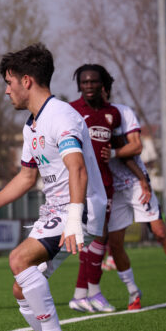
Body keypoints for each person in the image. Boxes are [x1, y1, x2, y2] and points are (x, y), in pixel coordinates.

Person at [0, 43, 106, 331]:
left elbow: (78, 169)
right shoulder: (32, 124)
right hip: (58, 210)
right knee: (21, 289)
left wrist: (74, 219)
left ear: (26, 80)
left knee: (18, 258)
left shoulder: (61, 116)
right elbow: (27, 177)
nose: (6, 91)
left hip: (78, 207)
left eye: (9, 82)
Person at [102, 85, 166, 309]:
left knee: (159, 231)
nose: (94, 90)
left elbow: (135, 148)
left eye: (98, 86)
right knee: (115, 245)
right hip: (111, 190)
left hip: (135, 184)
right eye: (87, 85)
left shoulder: (121, 113)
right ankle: (133, 292)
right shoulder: (83, 117)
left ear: (105, 90)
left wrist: (142, 179)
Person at [66, 64, 123, 313]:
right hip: (82, 184)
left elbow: (120, 144)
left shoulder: (113, 114)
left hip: (106, 184)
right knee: (89, 236)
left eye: (93, 82)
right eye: (84, 82)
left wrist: (116, 151)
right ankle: (94, 293)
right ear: (79, 85)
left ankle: (82, 294)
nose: (89, 86)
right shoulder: (72, 111)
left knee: (99, 237)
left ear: (102, 84)